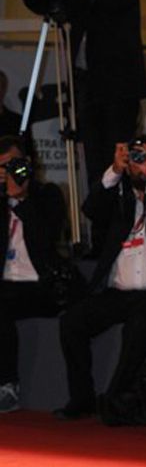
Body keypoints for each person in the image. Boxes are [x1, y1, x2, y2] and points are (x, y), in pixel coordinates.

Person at [54, 136, 146, 422]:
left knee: (139, 325)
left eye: (144, 157)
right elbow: (90, 209)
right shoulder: (119, 199)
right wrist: (114, 169)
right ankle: (81, 398)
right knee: (71, 321)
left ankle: (114, 397)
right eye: (134, 158)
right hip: (117, 292)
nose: (138, 163)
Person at [22, 0, 146, 189]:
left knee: (119, 157)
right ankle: (98, 209)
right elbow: (44, 4)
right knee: (94, 158)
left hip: (119, 88)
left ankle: (123, 209)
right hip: (88, 87)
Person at [0, 135, 68, 412]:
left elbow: (47, 239)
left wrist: (21, 200)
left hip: (42, 286)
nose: (8, 172)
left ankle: (7, 385)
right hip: (7, 283)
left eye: (13, 165)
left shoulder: (48, 195)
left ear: (27, 163)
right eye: (2, 167)